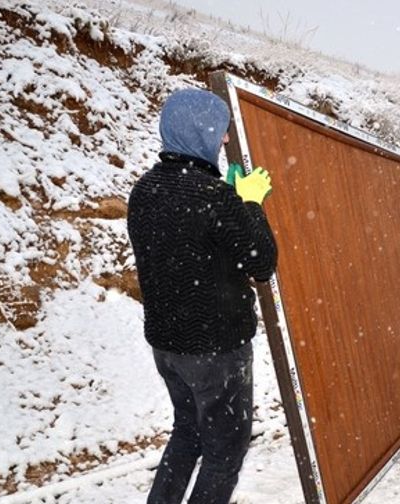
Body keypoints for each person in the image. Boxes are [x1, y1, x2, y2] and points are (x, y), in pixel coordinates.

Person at [126, 88, 277, 504]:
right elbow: (262, 262)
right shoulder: (214, 200)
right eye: (221, 130)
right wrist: (249, 203)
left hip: (167, 347)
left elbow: (191, 248)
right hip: (216, 351)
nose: (226, 139)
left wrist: (228, 198)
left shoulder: (144, 190)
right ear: (202, 132)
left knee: (187, 435)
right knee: (224, 452)